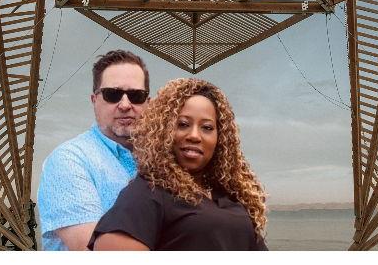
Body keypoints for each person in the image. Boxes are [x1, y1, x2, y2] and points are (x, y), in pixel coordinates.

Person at [88, 78, 268, 250]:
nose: (194, 136)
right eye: (182, 124)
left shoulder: (229, 196)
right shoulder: (148, 193)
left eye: (207, 128)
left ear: (220, 138)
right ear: (162, 131)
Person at [37, 50, 150, 250]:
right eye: (112, 94)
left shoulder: (161, 160)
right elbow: (92, 249)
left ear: (148, 103)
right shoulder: (69, 160)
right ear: (94, 100)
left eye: (136, 95)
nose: (125, 105)